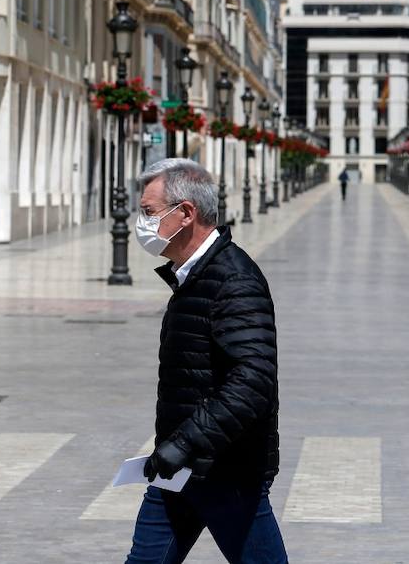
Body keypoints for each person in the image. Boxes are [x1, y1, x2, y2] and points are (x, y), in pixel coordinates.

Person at [126, 158, 286, 564]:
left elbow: (252, 383)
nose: (141, 224)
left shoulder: (234, 280)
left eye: (148, 213)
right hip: (178, 469)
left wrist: (184, 443)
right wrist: (177, 449)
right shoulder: (193, 276)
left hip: (227, 472)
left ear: (184, 214)